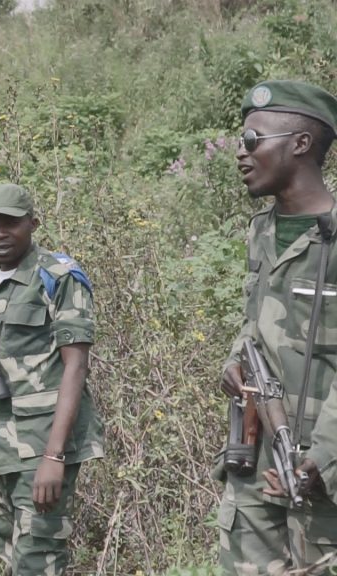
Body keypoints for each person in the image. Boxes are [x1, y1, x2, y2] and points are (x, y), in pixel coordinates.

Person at [217, 80, 337, 573]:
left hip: (321, 471)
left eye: (252, 141)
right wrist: (236, 356)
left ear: (300, 144)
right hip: (254, 459)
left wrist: (323, 460)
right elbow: (256, 317)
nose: (241, 155)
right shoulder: (260, 229)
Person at [0, 183, 103, 574]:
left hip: (43, 444)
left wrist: (54, 456)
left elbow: (75, 367)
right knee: (9, 556)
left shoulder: (58, 277)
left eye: (10, 222)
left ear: (33, 224)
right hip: (1, 451)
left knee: (38, 559)